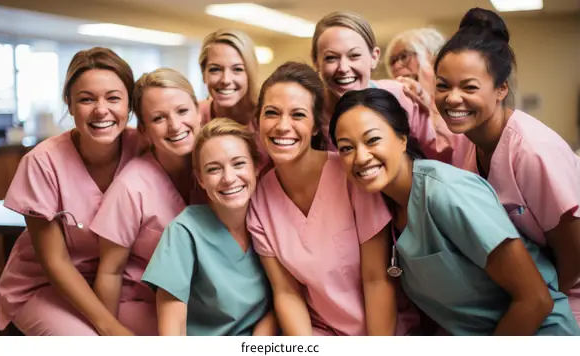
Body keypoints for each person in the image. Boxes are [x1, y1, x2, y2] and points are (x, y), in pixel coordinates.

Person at [329, 87, 580, 335]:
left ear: (402, 138)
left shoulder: (446, 192)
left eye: (372, 140)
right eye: (346, 148)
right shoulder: (388, 210)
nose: (360, 157)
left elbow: (536, 300)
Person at [247, 61, 420, 336]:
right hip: (321, 332)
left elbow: (377, 279)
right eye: (272, 113)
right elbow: (287, 292)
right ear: (257, 120)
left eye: (298, 115)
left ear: (316, 126)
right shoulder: (258, 199)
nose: (282, 126)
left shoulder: (351, 174)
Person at [433, 7, 580, 322]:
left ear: (501, 89)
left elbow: (574, 251)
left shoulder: (532, 151)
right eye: (443, 85)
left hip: (567, 293)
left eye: (469, 87)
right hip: (525, 288)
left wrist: (548, 306)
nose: (452, 98)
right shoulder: (464, 141)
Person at [0, 47, 145, 335]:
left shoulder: (143, 148)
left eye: (113, 98)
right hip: (46, 287)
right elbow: (56, 262)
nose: (101, 110)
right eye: (86, 99)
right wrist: (110, 329)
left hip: (120, 283)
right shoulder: (42, 162)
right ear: (69, 104)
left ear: (129, 104)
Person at [90, 68, 206, 335]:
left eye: (182, 111)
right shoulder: (131, 187)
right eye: (159, 118)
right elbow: (110, 272)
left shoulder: (214, 170)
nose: (175, 125)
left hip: (194, 305)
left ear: (199, 112)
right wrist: (113, 339)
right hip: (142, 306)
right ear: (143, 130)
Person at [142, 118, 275, 336]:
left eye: (239, 164)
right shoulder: (184, 232)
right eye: (214, 169)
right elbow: (172, 333)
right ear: (200, 179)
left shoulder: (269, 221)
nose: (229, 178)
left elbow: (283, 297)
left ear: (256, 167)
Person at [311, 11, 452, 163]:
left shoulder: (401, 97)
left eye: (354, 56)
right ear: (316, 62)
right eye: (331, 58)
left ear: (374, 57)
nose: (343, 68)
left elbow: (441, 156)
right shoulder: (309, 112)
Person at [198, 29, 269, 173]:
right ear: (204, 74)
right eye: (215, 69)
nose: (225, 80)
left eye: (237, 69)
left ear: (250, 74)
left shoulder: (269, 118)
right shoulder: (193, 118)